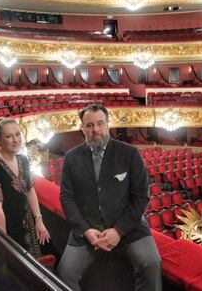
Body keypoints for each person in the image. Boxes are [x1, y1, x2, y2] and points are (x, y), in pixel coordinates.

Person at [57, 104, 162, 291]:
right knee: (65, 272)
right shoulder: (71, 157)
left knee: (151, 264)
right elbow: (67, 197)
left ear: (108, 124)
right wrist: (85, 230)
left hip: (128, 229)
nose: (95, 129)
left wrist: (119, 230)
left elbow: (141, 197)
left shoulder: (129, 153)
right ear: (82, 128)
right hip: (88, 230)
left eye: (100, 123)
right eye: (89, 125)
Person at [0, 117, 53, 258]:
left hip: (27, 220)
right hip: (6, 225)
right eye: (9, 136)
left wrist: (39, 221)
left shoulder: (23, 159)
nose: (16, 140)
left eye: (17, 134)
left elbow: (30, 190)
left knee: (51, 252)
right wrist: (4, 244)